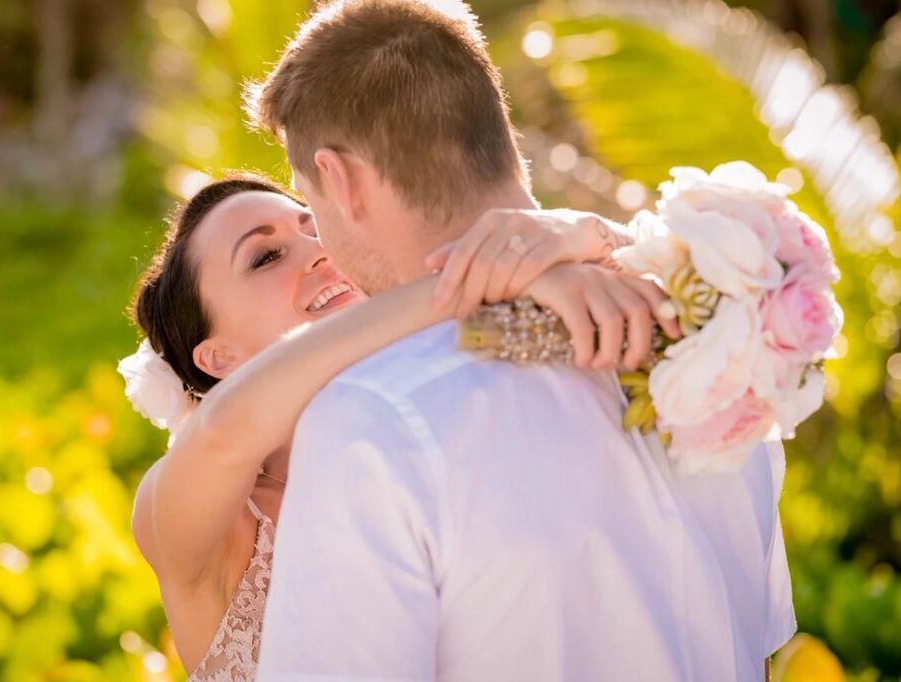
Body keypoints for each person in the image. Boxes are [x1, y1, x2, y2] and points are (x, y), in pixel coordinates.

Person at [247, 1, 795, 680]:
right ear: (495, 134)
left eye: (311, 202)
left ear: (342, 180)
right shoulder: (721, 349)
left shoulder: (371, 421)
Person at [124, 172, 666, 681]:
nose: (319, 252)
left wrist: (584, 238)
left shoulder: (445, 406)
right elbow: (224, 431)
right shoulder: (186, 521)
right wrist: (470, 280)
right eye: (266, 256)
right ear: (218, 359)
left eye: (315, 226)